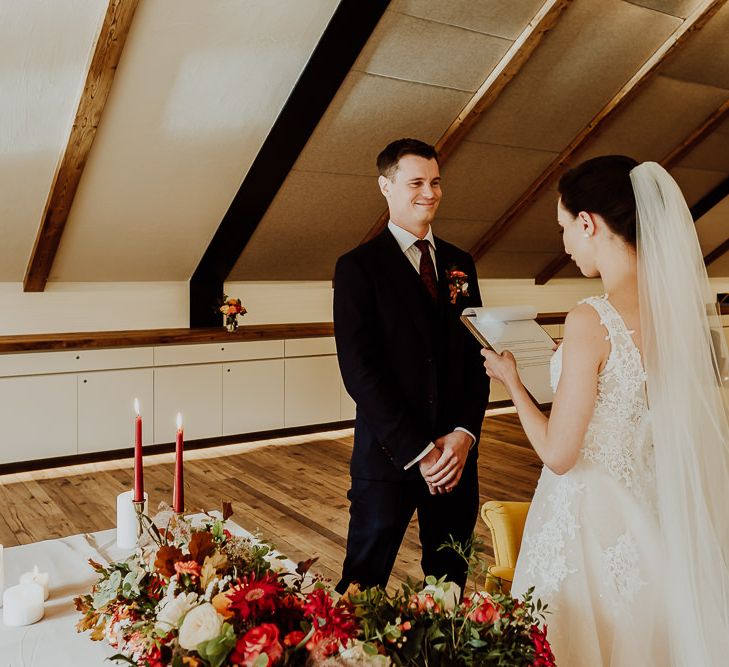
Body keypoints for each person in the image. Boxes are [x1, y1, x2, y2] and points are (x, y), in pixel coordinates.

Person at [483, 155, 729, 665]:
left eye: (565, 228)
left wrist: (511, 383)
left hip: (588, 523)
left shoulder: (590, 318)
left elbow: (559, 454)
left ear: (589, 222)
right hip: (654, 514)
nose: (565, 245)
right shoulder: (679, 315)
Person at [333, 138, 489, 594]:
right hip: (389, 457)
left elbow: (477, 355)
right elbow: (360, 372)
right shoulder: (358, 268)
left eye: (436, 182)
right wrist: (421, 451)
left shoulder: (461, 264)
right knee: (362, 586)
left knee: (449, 583)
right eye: (417, 182)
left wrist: (464, 434)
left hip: (456, 462)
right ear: (386, 186)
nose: (430, 192)